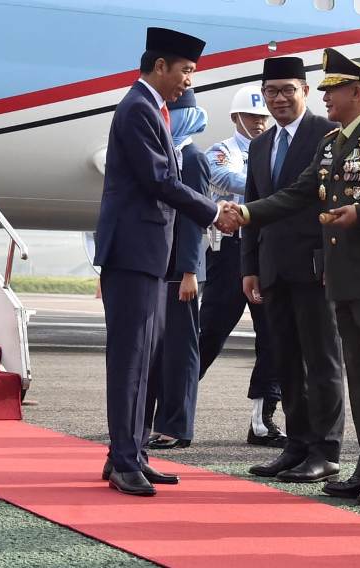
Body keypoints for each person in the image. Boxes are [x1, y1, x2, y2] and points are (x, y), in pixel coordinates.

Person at [236, 48, 360, 507]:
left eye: (331, 90)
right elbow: (298, 193)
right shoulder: (333, 143)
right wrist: (244, 213)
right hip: (346, 276)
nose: (325, 98)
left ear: (356, 92)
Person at [94, 27, 242, 496]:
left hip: (149, 255)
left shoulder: (152, 108)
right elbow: (160, 179)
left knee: (147, 359)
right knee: (132, 360)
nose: (187, 82)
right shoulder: (138, 109)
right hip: (134, 254)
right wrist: (215, 211)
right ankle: (123, 460)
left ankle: (132, 452)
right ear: (161, 66)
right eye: (185, 71)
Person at [242, 56, 345, 483]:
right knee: (285, 360)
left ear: (305, 91)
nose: (279, 99)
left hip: (315, 266)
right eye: (271, 92)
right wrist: (249, 267)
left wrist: (331, 259)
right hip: (272, 269)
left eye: (287, 90)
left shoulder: (329, 134)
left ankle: (326, 448)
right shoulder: (260, 145)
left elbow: (333, 201)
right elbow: (253, 208)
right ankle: (297, 444)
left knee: (322, 360)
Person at [201, 86, 285, 448]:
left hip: (266, 250)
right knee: (209, 333)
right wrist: (276, 190)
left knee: (273, 338)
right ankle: (167, 409)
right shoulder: (221, 151)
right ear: (236, 118)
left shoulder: (275, 151)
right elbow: (229, 180)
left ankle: (262, 418)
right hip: (230, 253)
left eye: (263, 117)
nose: (259, 123)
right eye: (252, 117)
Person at [147, 88, 209, 450]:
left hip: (181, 271)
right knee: (158, 351)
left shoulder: (193, 158)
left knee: (181, 351)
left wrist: (189, 270)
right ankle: (159, 421)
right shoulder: (165, 154)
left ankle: (177, 425)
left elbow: (194, 218)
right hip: (159, 267)